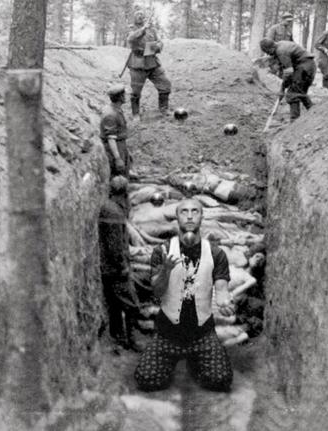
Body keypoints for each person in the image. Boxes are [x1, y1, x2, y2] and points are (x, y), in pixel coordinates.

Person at [134, 199, 234, 392]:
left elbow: (222, 288)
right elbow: (157, 291)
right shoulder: (161, 251)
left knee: (220, 380)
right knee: (146, 379)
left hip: (201, 334)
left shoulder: (216, 254)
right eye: (184, 212)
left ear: (202, 217)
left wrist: (224, 302)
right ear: (176, 217)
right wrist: (166, 270)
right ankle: (171, 360)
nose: (189, 216)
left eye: (195, 211)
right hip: (168, 334)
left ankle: (196, 361)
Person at [98, 85, 143, 352]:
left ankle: (117, 334)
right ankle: (130, 339)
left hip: (113, 267)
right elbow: (115, 245)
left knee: (117, 304)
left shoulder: (110, 209)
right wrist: (117, 159)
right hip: (116, 269)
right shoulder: (114, 215)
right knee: (131, 303)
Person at [126, 11, 172, 121]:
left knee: (165, 84)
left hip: (152, 62)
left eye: (142, 15)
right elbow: (131, 39)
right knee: (136, 91)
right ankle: (135, 114)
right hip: (137, 64)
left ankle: (164, 109)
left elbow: (160, 42)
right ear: (134, 18)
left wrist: (156, 47)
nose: (140, 17)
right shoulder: (131, 29)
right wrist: (143, 30)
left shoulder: (152, 30)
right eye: (138, 15)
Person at [260, 39, 315, 121]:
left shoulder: (281, 51)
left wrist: (282, 89)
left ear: (270, 48)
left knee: (292, 94)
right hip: (307, 66)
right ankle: (314, 112)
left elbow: (289, 72)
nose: (268, 54)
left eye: (267, 52)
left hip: (304, 68)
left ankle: (295, 121)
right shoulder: (280, 44)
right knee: (299, 91)